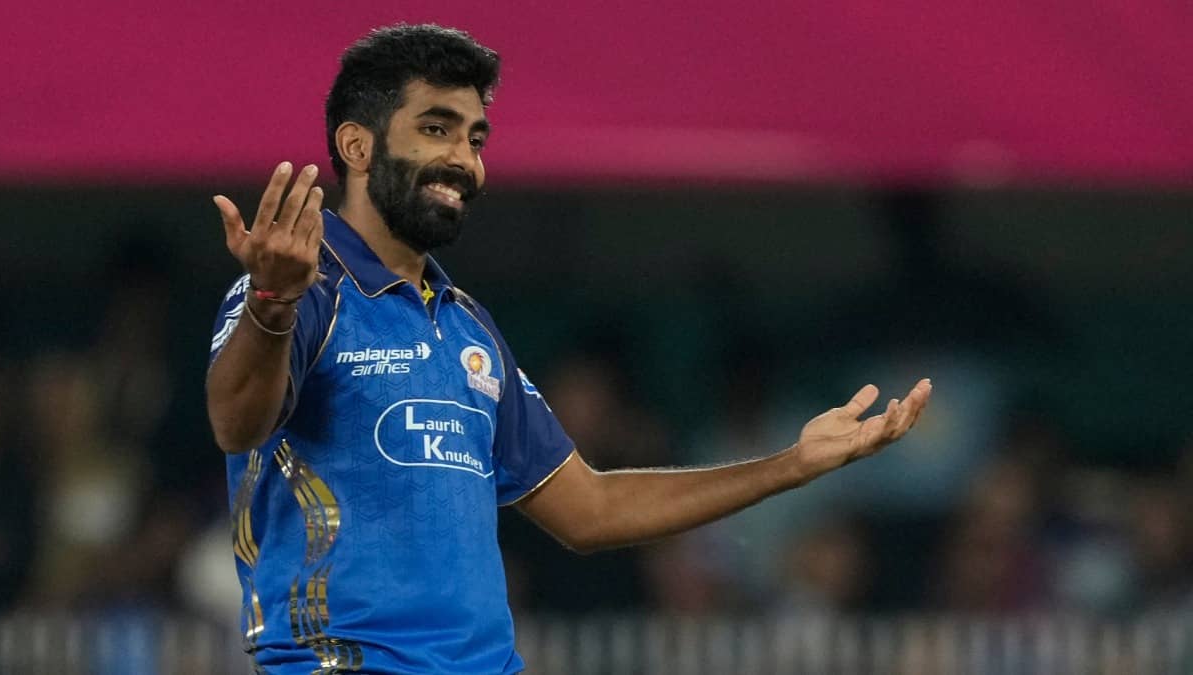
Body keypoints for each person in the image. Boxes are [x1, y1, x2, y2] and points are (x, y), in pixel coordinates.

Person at [206, 23, 932, 675]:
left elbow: (592, 508)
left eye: (475, 138)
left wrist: (790, 465)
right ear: (357, 145)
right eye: (437, 129)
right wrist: (274, 300)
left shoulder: (465, 325)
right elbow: (236, 424)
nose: (465, 160)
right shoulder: (304, 288)